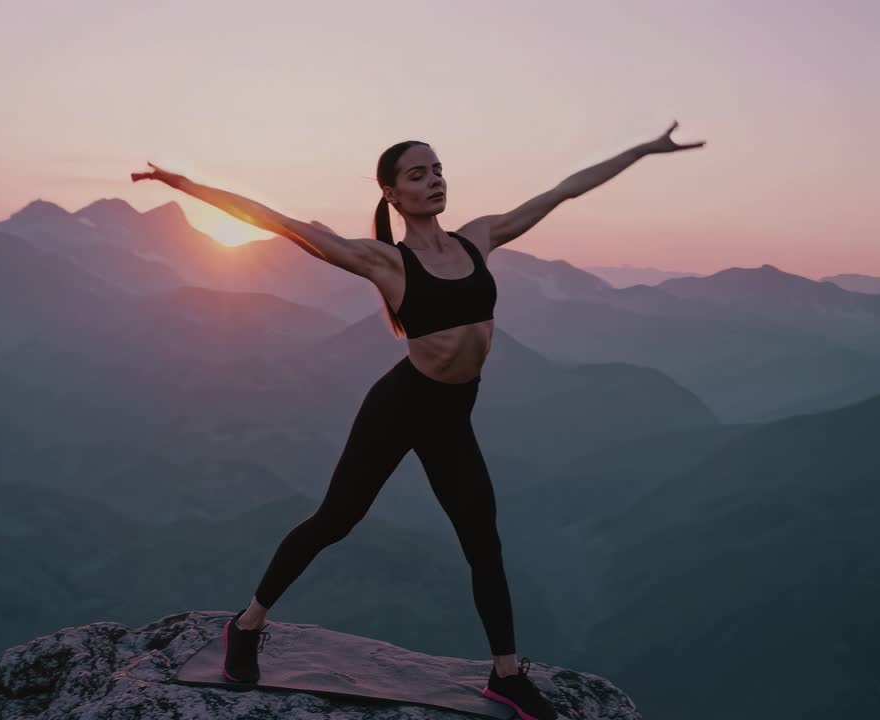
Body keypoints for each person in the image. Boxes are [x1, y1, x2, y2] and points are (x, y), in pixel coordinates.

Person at [131, 123, 702, 720]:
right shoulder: (383, 261)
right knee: (336, 519)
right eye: (417, 174)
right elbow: (274, 220)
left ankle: (506, 675)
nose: (434, 180)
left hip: (453, 414)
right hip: (401, 407)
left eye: (437, 169)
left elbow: (564, 190)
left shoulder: (478, 238)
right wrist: (181, 183)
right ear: (392, 194)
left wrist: (642, 149)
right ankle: (246, 626)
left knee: (482, 538)